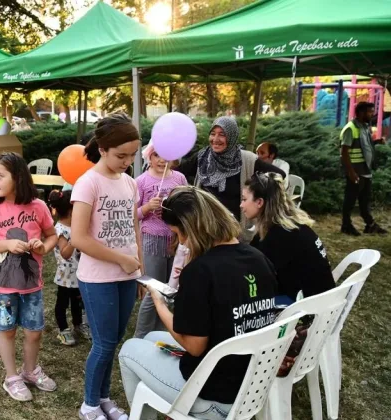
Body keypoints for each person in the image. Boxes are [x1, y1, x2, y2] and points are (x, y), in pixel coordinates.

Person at [118, 186, 279, 420]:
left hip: (214, 395)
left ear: (193, 228)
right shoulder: (258, 257)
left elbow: (194, 346)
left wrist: (160, 304)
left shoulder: (200, 271)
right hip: (252, 380)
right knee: (152, 339)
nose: (180, 243)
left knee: (129, 350)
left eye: (178, 234)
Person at [70, 113, 143, 420]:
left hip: (127, 276)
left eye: (132, 155)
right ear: (101, 149)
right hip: (98, 277)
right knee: (103, 343)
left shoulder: (129, 183)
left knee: (114, 340)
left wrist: (140, 270)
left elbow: (134, 226)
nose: (127, 161)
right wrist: (121, 259)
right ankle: (89, 405)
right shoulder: (88, 184)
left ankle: (103, 398)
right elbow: (79, 238)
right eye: (120, 155)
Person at [0, 152, 58, 402]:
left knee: (34, 332)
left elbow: (51, 235)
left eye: (0, 176)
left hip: (31, 284)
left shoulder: (38, 206)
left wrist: (43, 247)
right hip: (2, 286)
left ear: (18, 176)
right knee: (7, 331)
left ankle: (30, 371)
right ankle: (12, 377)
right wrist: (7, 244)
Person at [176, 116, 285, 241]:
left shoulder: (247, 159)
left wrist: (254, 192)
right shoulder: (203, 157)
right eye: (213, 134)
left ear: (232, 136)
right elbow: (177, 173)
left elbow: (279, 175)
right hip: (204, 228)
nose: (215, 139)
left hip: (234, 232)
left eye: (222, 134)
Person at [242, 172, 335, 300]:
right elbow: (250, 253)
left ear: (259, 202)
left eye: (244, 199)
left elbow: (255, 274)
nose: (241, 205)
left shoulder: (280, 235)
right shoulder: (286, 225)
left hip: (308, 308)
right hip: (318, 297)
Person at [134, 144, 187, 339]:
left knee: (170, 290)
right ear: (149, 156)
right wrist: (147, 207)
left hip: (175, 240)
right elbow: (134, 215)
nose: (161, 160)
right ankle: (140, 336)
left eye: (166, 155)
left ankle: (160, 334)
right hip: (151, 240)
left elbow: (187, 205)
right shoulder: (141, 181)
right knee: (154, 290)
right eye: (156, 155)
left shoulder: (179, 178)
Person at [47, 188, 89, 346]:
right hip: (66, 275)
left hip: (79, 272)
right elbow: (65, 253)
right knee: (63, 303)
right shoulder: (60, 230)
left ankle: (79, 325)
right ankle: (63, 329)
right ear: (72, 211)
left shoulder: (75, 226)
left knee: (78, 301)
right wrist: (74, 240)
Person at [340, 101, 387, 236]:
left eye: (372, 111)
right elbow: (344, 152)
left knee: (364, 200)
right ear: (360, 113)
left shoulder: (365, 127)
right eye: (369, 112)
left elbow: (365, 144)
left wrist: (377, 142)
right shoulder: (350, 128)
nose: (372, 114)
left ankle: (370, 225)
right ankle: (346, 225)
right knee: (350, 199)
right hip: (355, 171)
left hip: (365, 170)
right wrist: (351, 172)